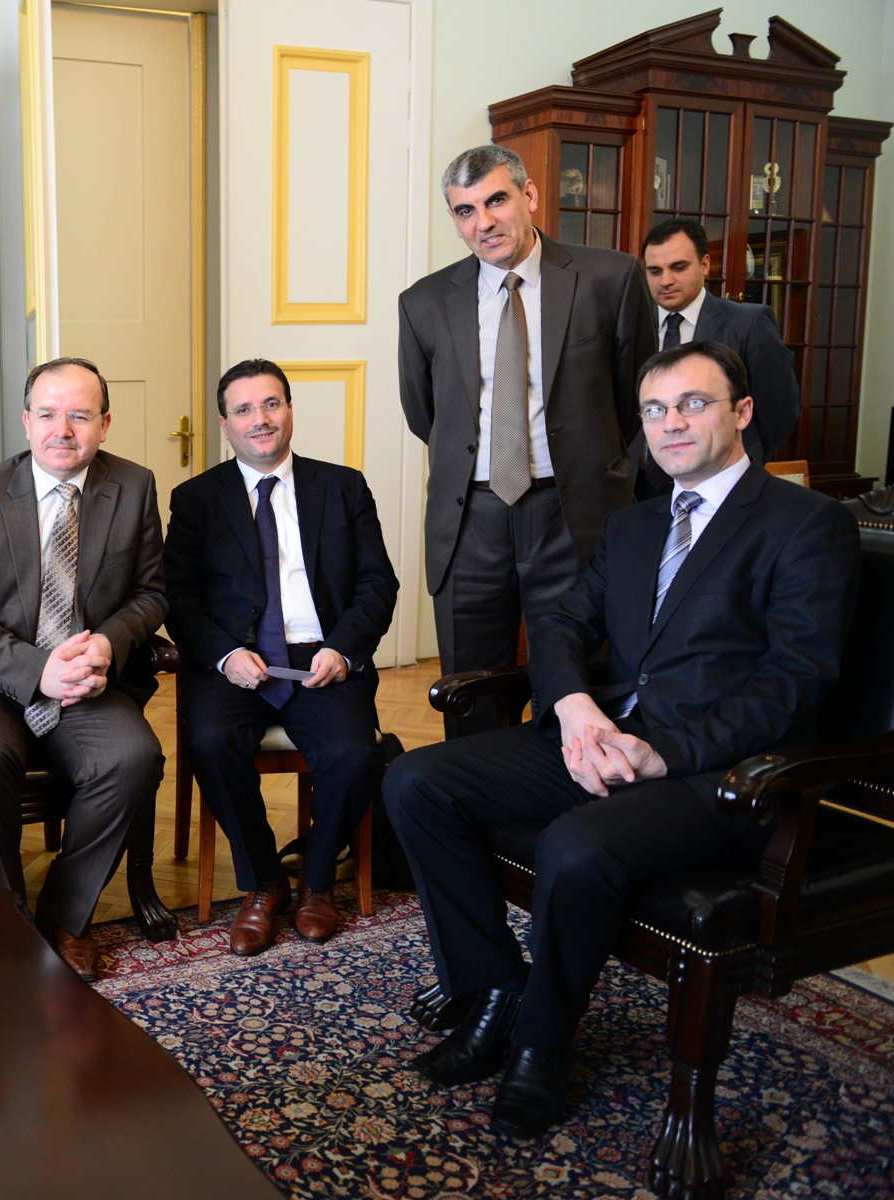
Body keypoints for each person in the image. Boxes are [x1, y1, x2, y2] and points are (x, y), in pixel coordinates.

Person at [382, 340, 859, 1137]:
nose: (671, 424)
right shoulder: (633, 524)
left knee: (575, 844)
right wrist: (574, 707)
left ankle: (541, 1042)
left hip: (724, 773)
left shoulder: (807, 524)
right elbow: (561, 622)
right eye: (654, 410)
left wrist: (664, 752)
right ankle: (494, 990)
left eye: (693, 404)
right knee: (416, 782)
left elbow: (795, 681)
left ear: (742, 411)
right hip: (609, 733)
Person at [0, 357, 168, 982]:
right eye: (49, 414)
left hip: (84, 678)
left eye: (80, 414)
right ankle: (8, 924)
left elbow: (151, 593)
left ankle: (64, 915)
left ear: (105, 423)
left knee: (132, 757)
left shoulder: (133, 486)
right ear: (26, 422)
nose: (64, 429)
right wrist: (36, 670)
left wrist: (108, 642)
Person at [398, 144, 657, 736]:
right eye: (465, 211)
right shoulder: (423, 303)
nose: (484, 222)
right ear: (454, 221)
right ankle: (477, 791)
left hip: (577, 516)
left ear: (530, 196)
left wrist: (593, 466)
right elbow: (426, 415)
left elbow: (638, 398)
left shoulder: (609, 279)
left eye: (497, 200)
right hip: (470, 520)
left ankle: (567, 791)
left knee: (580, 690)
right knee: (472, 693)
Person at [164, 360, 398, 950]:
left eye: (271, 404)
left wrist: (343, 648)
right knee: (212, 740)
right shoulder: (195, 499)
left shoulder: (342, 486)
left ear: (289, 410)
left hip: (322, 657)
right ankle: (265, 881)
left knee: (353, 753)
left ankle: (317, 880)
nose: (260, 419)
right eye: (243, 409)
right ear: (225, 424)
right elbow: (178, 599)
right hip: (237, 662)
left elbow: (378, 583)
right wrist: (224, 654)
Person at [634, 216, 801, 496]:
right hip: (641, 485)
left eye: (678, 267)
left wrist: (746, 460)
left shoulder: (748, 322)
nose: (666, 280)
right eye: (654, 271)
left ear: (704, 264)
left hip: (724, 484)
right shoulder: (632, 326)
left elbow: (781, 410)